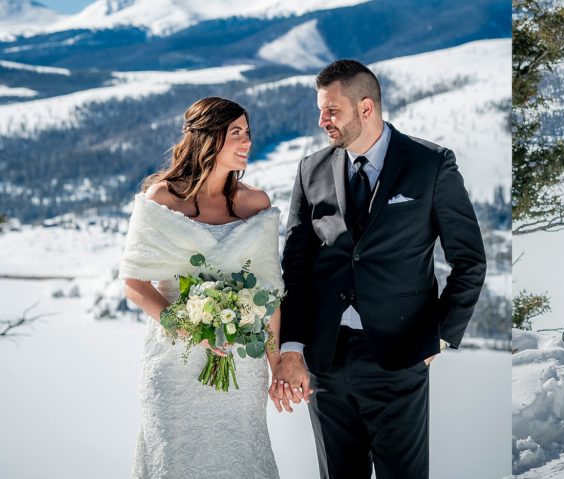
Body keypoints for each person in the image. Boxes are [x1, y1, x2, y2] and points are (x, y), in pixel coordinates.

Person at [273, 59, 487, 479]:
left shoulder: (431, 164)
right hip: (326, 363)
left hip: (400, 357)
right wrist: (293, 348)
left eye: (332, 111)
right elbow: (295, 268)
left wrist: (439, 339)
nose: (322, 121)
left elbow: (470, 261)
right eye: (321, 110)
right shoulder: (310, 170)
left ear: (366, 108)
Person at [119, 97, 283, 479]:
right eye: (236, 133)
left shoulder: (256, 204)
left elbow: (271, 296)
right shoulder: (161, 198)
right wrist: (186, 326)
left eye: (248, 132)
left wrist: (276, 363)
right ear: (208, 138)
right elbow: (134, 283)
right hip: (173, 362)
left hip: (241, 366)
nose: (247, 142)